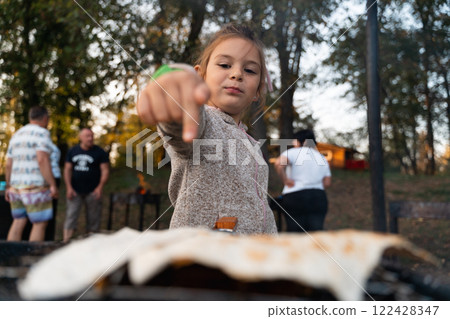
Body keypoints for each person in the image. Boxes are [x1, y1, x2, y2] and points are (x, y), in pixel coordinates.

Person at [137, 24, 277, 234]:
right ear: (200, 76)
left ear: (257, 91)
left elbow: (262, 209)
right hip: (198, 257)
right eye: (224, 65)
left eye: (249, 70)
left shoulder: (253, 145)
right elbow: (183, 123)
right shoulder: (204, 123)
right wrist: (178, 93)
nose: (237, 74)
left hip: (253, 260)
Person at [4, 106, 58, 242]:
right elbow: (42, 159)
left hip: (15, 187)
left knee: (18, 221)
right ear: (45, 118)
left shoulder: (17, 134)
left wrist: (8, 186)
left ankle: (10, 258)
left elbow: (8, 164)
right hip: (35, 187)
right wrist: (52, 184)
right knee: (39, 224)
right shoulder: (42, 133)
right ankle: (33, 260)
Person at [274, 129, 332, 232]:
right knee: (316, 235)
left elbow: (279, 164)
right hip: (318, 197)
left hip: (295, 197)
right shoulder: (322, 157)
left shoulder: (292, 152)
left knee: (295, 234)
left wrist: (286, 180)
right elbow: (327, 182)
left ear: (298, 141)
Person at [63, 128, 110, 242]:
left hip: (93, 191)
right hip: (75, 191)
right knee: (71, 217)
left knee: (94, 221)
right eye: (87, 136)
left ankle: (91, 245)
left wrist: (99, 188)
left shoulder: (100, 152)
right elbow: (67, 169)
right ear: (80, 137)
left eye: (92, 136)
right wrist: (69, 188)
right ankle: (65, 243)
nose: (90, 138)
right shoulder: (73, 151)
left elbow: (105, 170)